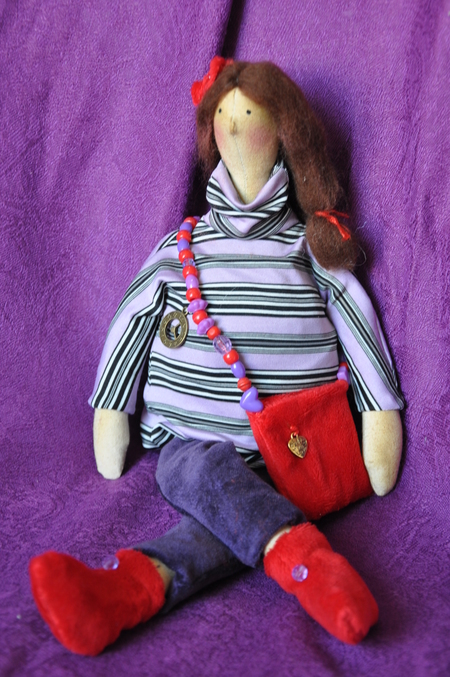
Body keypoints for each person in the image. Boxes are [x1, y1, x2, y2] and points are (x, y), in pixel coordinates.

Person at [29, 59, 403, 656]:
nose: (235, 124)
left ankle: (125, 590)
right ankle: (306, 562)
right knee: (192, 468)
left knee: (199, 482)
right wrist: (112, 412)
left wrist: (379, 419)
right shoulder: (183, 247)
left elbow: (360, 330)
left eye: (248, 113)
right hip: (195, 443)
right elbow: (132, 322)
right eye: (225, 115)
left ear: (286, 132)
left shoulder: (310, 248)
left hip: (295, 452)